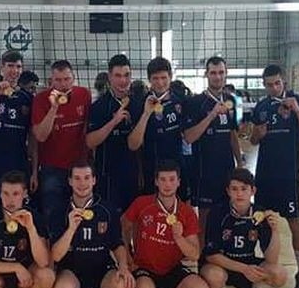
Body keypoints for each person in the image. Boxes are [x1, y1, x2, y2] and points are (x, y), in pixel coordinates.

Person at [250, 64, 299, 288]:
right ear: (264, 85)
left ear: (284, 81)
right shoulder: (261, 107)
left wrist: (297, 110)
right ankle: (267, 268)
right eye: (269, 85)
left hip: (288, 176)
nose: (273, 88)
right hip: (264, 177)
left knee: (295, 222)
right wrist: (258, 133)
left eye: (277, 83)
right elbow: (253, 140)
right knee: (261, 222)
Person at [49, 162, 135, 288]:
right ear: (70, 181)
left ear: (94, 180)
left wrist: (123, 266)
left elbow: (117, 243)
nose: (82, 183)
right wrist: (71, 229)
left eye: (87, 178)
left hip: (102, 268)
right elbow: (56, 256)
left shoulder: (107, 209)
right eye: (77, 178)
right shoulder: (59, 211)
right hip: (72, 270)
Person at [122, 160, 209, 288]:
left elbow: (194, 254)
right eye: (162, 179)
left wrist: (179, 238)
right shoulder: (142, 203)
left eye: (171, 179)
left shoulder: (187, 212)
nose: (167, 184)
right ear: (156, 181)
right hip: (144, 267)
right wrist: (127, 254)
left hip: (172, 268)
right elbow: (123, 226)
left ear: (179, 182)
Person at [200, 168, 287, 288]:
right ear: (228, 191)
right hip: (221, 265)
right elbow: (211, 255)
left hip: (247, 263)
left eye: (244, 189)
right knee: (213, 275)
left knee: (279, 274)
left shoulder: (260, 214)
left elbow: (272, 259)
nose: (239, 194)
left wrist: (275, 231)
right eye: (234, 189)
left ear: (252, 191)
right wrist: (244, 269)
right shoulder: (217, 213)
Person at [183, 57, 242, 243]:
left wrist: (240, 164)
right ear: (206, 74)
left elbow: (233, 134)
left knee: (229, 216)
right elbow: (189, 137)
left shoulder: (232, 100)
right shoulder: (195, 102)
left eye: (221, 72)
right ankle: (202, 257)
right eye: (213, 73)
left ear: (226, 74)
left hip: (227, 170)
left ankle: (224, 254)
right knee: (205, 221)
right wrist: (211, 115)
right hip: (204, 172)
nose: (218, 77)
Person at [31, 59, 91, 228]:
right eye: (58, 80)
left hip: (79, 167)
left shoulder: (84, 95)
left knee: (81, 215)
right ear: (51, 81)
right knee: (53, 217)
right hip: (52, 168)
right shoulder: (41, 100)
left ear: (73, 78)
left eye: (67, 79)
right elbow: (40, 136)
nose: (63, 85)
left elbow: (88, 129)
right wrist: (54, 108)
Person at [0, 51, 37, 209]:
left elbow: (33, 139)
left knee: (19, 211)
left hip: (19, 164)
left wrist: (34, 171)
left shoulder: (27, 98)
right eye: (10, 66)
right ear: (1, 67)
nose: (14, 70)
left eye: (18, 66)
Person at [85, 54, 139, 215]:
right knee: (108, 219)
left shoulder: (139, 104)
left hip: (133, 174)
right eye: (118, 76)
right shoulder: (99, 106)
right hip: (107, 175)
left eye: (126, 75)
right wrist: (113, 122)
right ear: (109, 77)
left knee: (131, 220)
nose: (123, 80)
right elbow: (90, 142)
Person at [128, 57, 186, 196]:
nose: (160, 83)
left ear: (170, 77)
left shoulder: (181, 101)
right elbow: (133, 145)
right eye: (155, 78)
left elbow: (188, 136)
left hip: (178, 169)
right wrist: (146, 114)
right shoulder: (139, 103)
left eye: (163, 78)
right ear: (149, 79)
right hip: (152, 171)